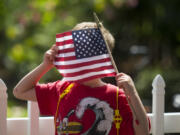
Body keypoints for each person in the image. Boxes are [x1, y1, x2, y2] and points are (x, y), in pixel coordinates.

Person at [13, 22, 150, 135]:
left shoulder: (117, 95)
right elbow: (19, 91)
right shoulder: (61, 90)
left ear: (103, 59)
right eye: (76, 52)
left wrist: (132, 93)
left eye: (89, 54)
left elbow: (143, 131)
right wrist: (46, 65)